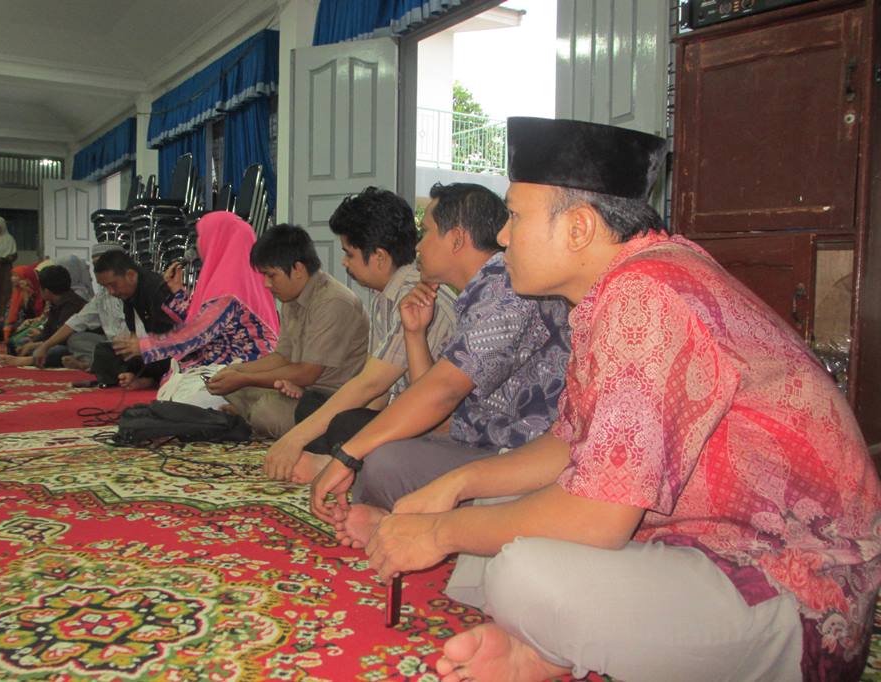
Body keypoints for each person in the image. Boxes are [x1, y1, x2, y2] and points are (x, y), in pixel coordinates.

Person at [363, 118, 881, 682]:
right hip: (701, 541)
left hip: (790, 582)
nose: (504, 237)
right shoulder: (626, 284)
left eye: (516, 216)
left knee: (525, 573)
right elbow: (568, 443)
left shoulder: (645, 295)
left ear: (579, 227)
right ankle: (544, 650)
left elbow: (600, 519)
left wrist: (437, 532)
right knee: (498, 511)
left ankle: (548, 648)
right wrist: (457, 485)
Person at [309, 182, 571, 546]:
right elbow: (439, 409)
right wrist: (415, 333)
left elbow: (443, 392)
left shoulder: (505, 287)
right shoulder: (480, 292)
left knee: (381, 460)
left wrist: (347, 456)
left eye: (427, 232)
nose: (418, 246)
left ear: (457, 239)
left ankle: (426, 525)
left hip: (524, 460)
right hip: (482, 442)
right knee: (384, 446)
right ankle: (405, 517)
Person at [264, 187, 457, 483]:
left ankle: (336, 464)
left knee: (340, 424)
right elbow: (378, 392)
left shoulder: (417, 297)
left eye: (349, 253)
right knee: (319, 409)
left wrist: (294, 439)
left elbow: (372, 384)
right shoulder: (385, 298)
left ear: (379, 257)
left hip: (435, 427)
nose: (344, 263)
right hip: (402, 412)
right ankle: (340, 458)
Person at [206, 224, 369, 439]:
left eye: (271, 275)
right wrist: (238, 371)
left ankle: (252, 416)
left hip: (329, 400)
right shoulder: (291, 298)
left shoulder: (333, 302)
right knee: (231, 379)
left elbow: (307, 373)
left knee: (266, 412)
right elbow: (282, 357)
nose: (266, 284)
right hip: (297, 389)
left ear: (298, 269)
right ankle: (249, 413)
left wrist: (245, 378)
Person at [110, 211, 280, 408]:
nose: (198, 244)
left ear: (218, 240)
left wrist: (146, 346)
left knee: (180, 403)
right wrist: (177, 292)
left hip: (241, 371)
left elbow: (197, 335)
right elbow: (199, 321)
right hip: (219, 364)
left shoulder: (229, 289)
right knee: (172, 396)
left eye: (202, 236)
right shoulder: (224, 279)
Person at [29, 243, 129, 373]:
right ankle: (94, 364)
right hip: (111, 346)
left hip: (135, 347)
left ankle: (98, 366)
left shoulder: (133, 290)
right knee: (76, 340)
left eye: (102, 264)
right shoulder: (102, 295)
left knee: (57, 351)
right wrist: (44, 346)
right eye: (95, 265)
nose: (98, 269)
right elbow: (76, 322)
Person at [89, 249, 175, 389]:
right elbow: (134, 334)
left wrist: (144, 346)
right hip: (148, 352)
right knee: (104, 351)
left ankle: (152, 380)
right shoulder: (128, 292)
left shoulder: (157, 289)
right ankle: (139, 376)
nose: (111, 292)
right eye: (105, 287)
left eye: (113, 285)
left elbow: (175, 341)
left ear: (130, 275)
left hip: (171, 353)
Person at [1, 265, 87, 367]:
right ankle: (30, 355)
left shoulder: (72, 305)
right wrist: (32, 343)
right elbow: (47, 331)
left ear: (46, 291)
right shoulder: (55, 303)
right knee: (21, 342)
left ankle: (30, 360)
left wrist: (37, 345)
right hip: (50, 342)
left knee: (56, 351)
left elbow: (63, 339)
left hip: (69, 345)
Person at [4, 264, 46, 352]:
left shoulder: (41, 295)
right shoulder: (20, 292)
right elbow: (12, 313)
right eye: (12, 275)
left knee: (16, 341)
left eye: (16, 276)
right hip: (28, 323)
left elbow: (43, 317)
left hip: (38, 326)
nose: (12, 278)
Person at [0, 216, 18, 315]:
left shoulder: (9, 239)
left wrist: (4, 259)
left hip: (5, 269)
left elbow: (14, 255)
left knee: (5, 290)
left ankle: (3, 313)